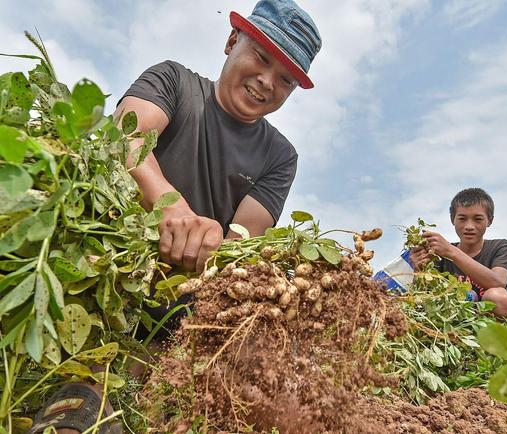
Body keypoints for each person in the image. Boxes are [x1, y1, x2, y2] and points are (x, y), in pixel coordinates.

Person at [27, 1, 321, 433]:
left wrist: (213, 251)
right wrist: (171, 206)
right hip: (105, 283)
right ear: (231, 40)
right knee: (81, 408)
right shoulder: (173, 82)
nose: (266, 81)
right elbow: (125, 140)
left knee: (154, 394)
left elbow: (243, 244)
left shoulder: (280, 155)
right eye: (261, 57)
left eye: (285, 80)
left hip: (180, 314)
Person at [410, 188, 507, 318]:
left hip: (491, 323)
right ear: (452, 219)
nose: (469, 226)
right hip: (452, 323)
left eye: (478, 219)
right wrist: (418, 270)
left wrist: (451, 252)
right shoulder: (438, 255)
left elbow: (498, 282)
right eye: (462, 218)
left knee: (498, 297)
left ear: (489, 220)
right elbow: (424, 298)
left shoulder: (501, 247)